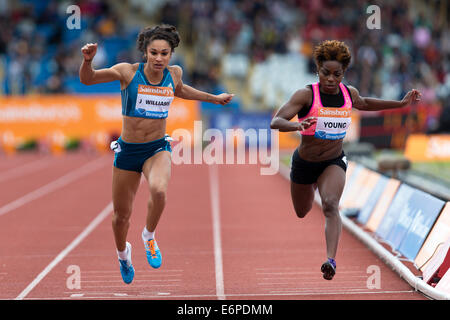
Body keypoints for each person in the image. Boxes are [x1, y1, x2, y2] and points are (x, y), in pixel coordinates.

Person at [79, 24, 234, 284]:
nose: (159, 58)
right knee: (120, 218)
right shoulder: (127, 72)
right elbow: (88, 78)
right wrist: (87, 60)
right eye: (154, 53)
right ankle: (123, 255)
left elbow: (181, 90)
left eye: (165, 53)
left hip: (156, 148)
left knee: (159, 191)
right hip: (128, 152)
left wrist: (214, 98)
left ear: (171, 54)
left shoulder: (174, 74)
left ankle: (149, 237)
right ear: (145, 53)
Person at [270, 40, 421, 280]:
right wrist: (297, 124)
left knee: (330, 204)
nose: (331, 79)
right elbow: (276, 121)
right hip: (304, 163)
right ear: (317, 70)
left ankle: (330, 260)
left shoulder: (349, 93)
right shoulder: (305, 95)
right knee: (302, 211)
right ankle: (310, 186)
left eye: (337, 74)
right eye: (325, 73)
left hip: (333, 161)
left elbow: (366, 103)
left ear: (344, 73)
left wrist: (400, 104)